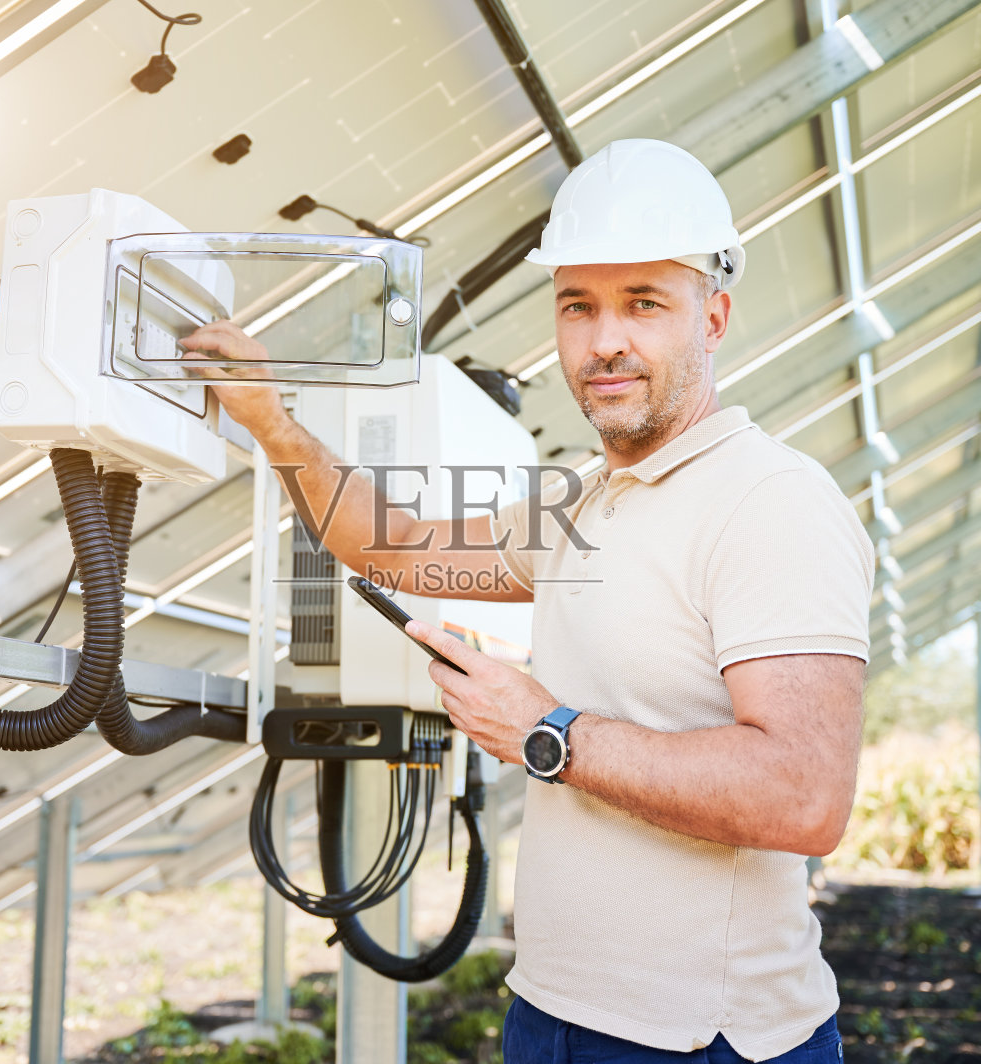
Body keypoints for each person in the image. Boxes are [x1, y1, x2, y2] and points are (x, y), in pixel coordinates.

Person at [184, 138, 873, 1063]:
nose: (606, 340)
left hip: (701, 1040)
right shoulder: (581, 505)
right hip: (550, 1015)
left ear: (712, 317)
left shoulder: (770, 501)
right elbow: (397, 544)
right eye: (578, 306)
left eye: (644, 304)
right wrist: (271, 418)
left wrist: (545, 733)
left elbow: (802, 798)